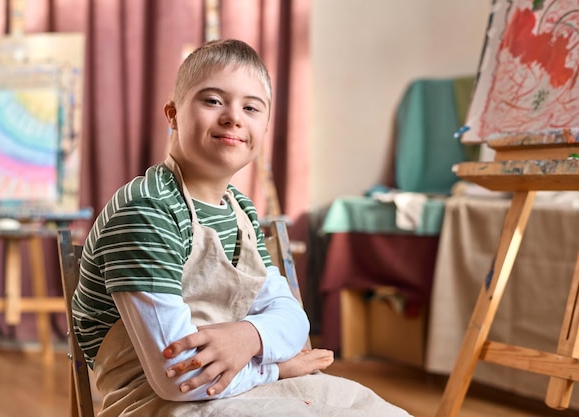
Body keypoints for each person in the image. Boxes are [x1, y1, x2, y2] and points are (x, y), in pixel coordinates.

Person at [72, 38, 412, 416]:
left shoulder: (240, 210)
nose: (233, 117)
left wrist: (249, 336)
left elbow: (293, 319)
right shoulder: (148, 210)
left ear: (264, 127)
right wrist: (276, 366)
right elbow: (176, 378)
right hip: (160, 402)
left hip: (241, 385)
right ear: (172, 114)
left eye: (251, 107)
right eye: (213, 100)